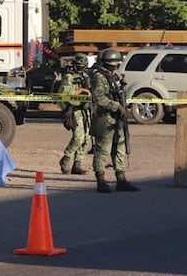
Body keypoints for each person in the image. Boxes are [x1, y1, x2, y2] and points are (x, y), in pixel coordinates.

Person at [89, 48, 139, 193]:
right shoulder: (98, 77)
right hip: (105, 118)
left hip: (117, 118)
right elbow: (99, 98)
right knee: (102, 150)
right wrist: (116, 106)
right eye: (112, 64)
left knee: (120, 148)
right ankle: (101, 180)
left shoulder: (113, 75)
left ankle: (121, 179)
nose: (114, 67)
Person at [59, 57, 91, 175]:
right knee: (78, 137)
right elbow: (64, 94)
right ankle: (66, 158)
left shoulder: (86, 76)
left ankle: (77, 164)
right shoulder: (69, 77)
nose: (81, 67)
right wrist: (81, 91)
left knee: (86, 138)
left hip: (85, 109)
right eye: (79, 64)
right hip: (74, 109)